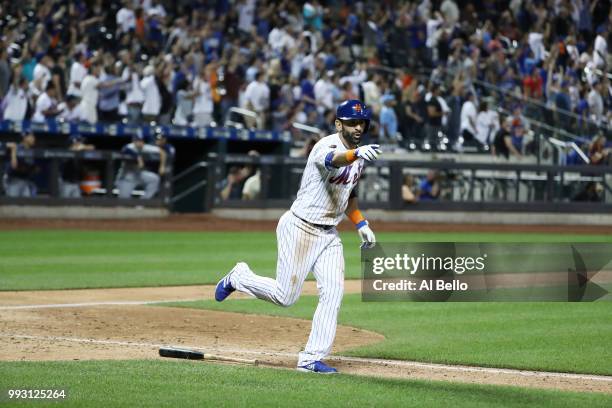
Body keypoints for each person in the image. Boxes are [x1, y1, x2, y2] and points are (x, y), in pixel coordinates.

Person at [214, 99, 381, 374]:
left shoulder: (358, 155)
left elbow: (348, 194)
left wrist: (361, 223)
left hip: (329, 235)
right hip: (300, 227)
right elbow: (333, 161)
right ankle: (239, 277)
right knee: (285, 297)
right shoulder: (326, 146)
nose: (358, 127)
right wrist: (357, 154)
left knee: (334, 293)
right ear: (339, 124)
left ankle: (310, 359)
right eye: (352, 122)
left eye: (362, 123)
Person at [116, 134, 166, 199]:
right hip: (127, 177)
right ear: (133, 141)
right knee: (124, 201)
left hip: (139, 174)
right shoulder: (129, 147)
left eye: (141, 141)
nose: (140, 143)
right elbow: (125, 150)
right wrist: (138, 158)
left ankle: (143, 202)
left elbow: (162, 152)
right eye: (138, 141)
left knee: (155, 179)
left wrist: (162, 166)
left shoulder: (145, 147)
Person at [3, 132, 38, 197]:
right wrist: (12, 150)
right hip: (13, 180)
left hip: (25, 181)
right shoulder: (16, 147)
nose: (33, 139)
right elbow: (13, 166)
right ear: (25, 138)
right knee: (12, 203)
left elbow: (30, 167)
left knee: (26, 204)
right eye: (31, 137)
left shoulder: (31, 151)